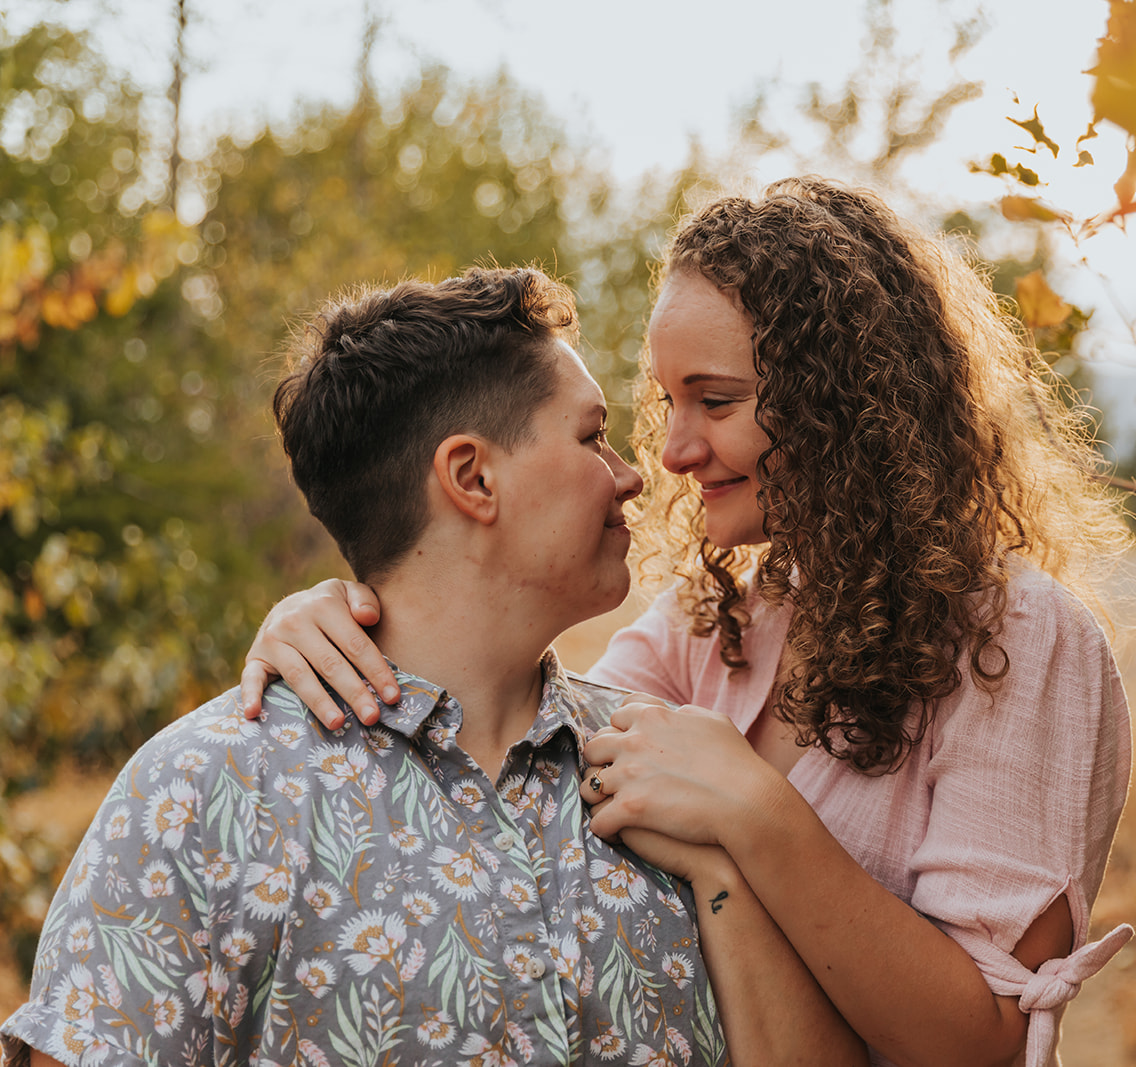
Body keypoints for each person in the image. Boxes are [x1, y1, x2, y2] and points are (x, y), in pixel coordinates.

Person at [240, 178, 1135, 1067]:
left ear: (844, 401)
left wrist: (757, 813)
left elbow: (984, 1042)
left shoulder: (1015, 638)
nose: (671, 450)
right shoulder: (718, 624)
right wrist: (354, 613)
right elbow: (534, 731)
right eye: (670, 401)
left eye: (716, 401)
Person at [1, 266, 863, 1067]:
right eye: (592, 437)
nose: (634, 475)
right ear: (472, 477)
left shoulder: (669, 770)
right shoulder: (203, 794)